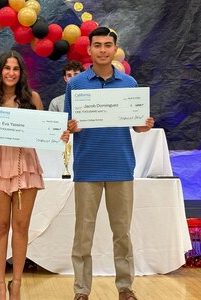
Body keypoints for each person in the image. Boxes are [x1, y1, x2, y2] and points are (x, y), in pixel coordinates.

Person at [64, 27, 154, 300]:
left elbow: (136, 126)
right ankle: (81, 290)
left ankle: (125, 288)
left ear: (115, 49)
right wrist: (69, 127)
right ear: (89, 50)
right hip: (87, 167)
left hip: (121, 166)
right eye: (98, 45)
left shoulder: (129, 83)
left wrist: (144, 125)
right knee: (83, 234)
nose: (103, 49)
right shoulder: (76, 84)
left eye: (108, 45)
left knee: (122, 233)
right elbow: (65, 126)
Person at [0, 50, 70, 300]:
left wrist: (59, 135)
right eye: (6, 68)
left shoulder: (33, 98)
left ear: (21, 73)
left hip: (25, 167)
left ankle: (16, 284)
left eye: (15, 68)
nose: (11, 73)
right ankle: (0, 284)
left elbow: (45, 133)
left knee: (21, 227)